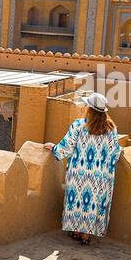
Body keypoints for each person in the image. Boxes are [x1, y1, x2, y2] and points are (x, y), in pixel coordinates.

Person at [45, 91, 122, 245]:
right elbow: (116, 152)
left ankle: (76, 231)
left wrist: (53, 148)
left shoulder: (79, 125)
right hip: (100, 176)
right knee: (92, 203)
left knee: (77, 201)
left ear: (89, 109)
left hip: (79, 173)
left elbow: (65, 148)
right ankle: (86, 235)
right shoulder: (111, 129)